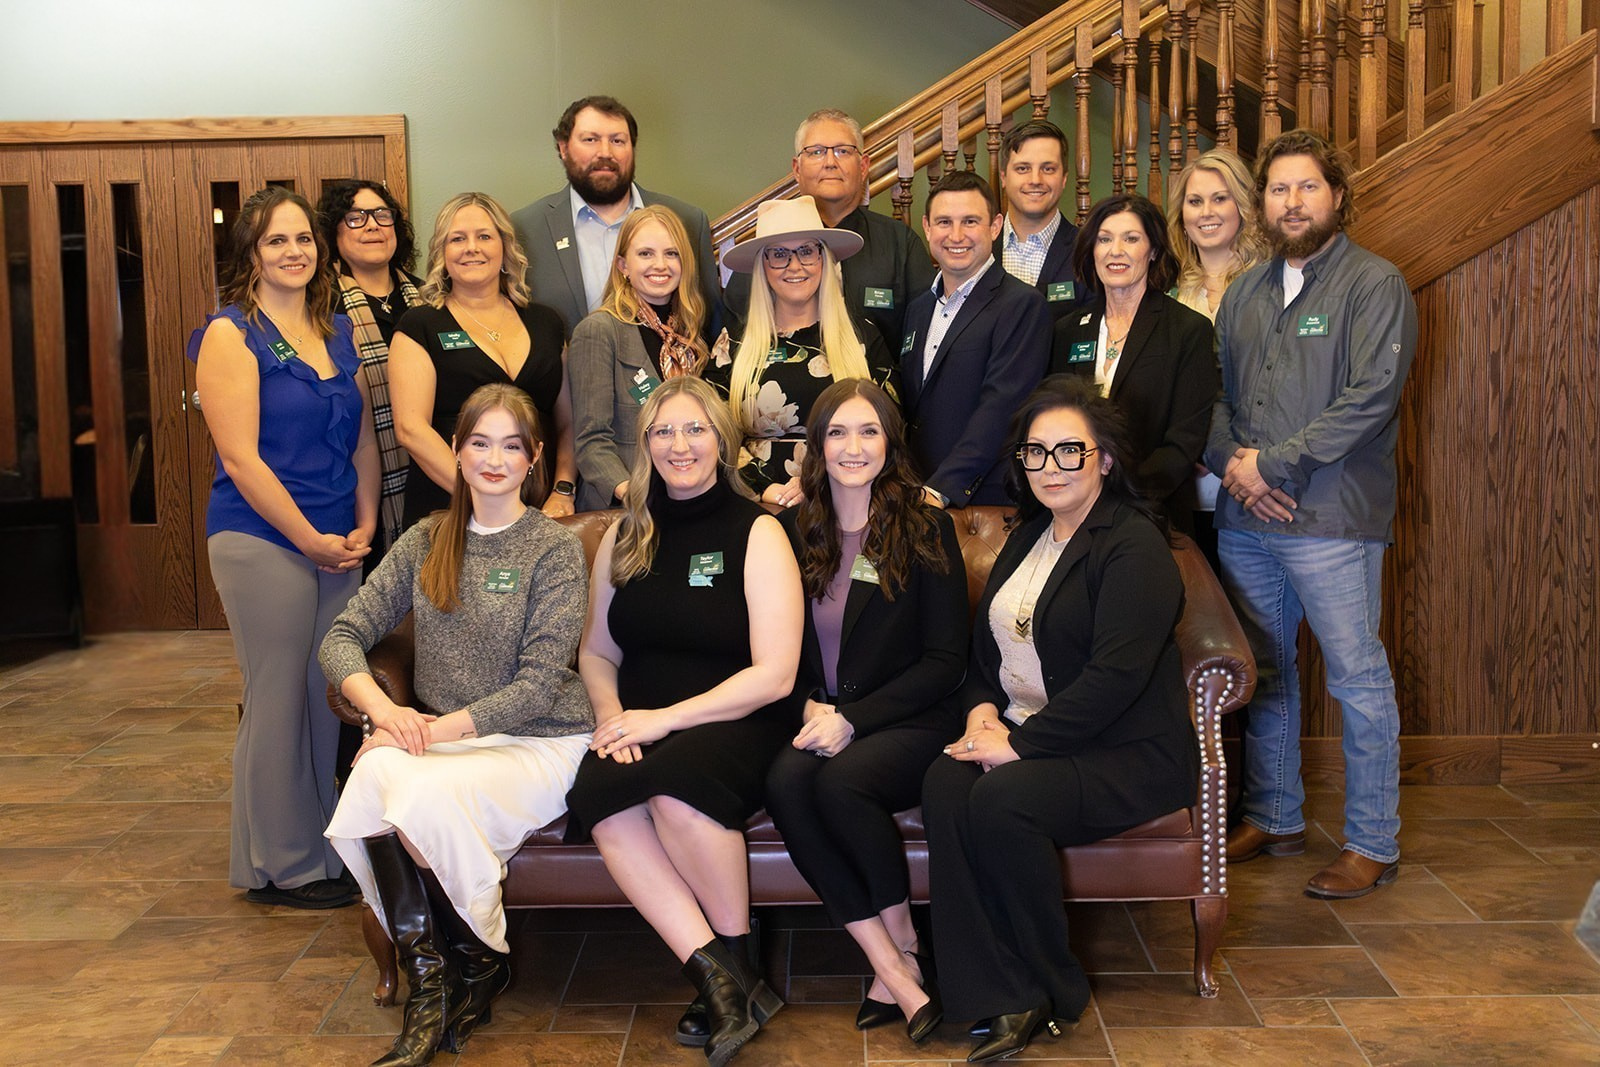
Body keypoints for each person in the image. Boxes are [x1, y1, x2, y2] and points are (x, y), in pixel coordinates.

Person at [922, 376, 1198, 1063]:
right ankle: (986, 988)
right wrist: (981, 715)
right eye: (1035, 452)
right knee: (944, 782)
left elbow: (1114, 681)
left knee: (1004, 799)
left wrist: (1018, 747)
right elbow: (986, 652)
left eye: (1070, 450)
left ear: (1105, 457)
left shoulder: (1132, 546)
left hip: (1125, 753)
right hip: (1030, 732)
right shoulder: (1029, 537)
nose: (1051, 466)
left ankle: (1048, 987)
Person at [322, 384, 594, 1067]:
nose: (494, 460)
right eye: (480, 443)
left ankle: (470, 966)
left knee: (406, 782)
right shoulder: (425, 539)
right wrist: (385, 713)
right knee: (376, 776)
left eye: (511, 446)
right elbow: (342, 637)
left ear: (534, 457)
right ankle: (441, 979)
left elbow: (537, 687)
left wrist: (420, 734)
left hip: (540, 739)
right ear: (456, 449)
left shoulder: (552, 549)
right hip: (447, 741)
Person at [564, 376, 802, 1067]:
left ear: (722, 440)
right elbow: (597, 651)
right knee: (603, 799)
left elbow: (775, 674)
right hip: (640, 719)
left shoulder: (759, 529)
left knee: (675, 792)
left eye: (695, 428)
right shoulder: (625, 533)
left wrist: (661, 720)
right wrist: (613, 718)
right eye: (663, 431)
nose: (680, 444)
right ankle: (724, 983)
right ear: (645, 445)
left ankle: (734, 963)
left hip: (739, 715)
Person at [1206, 129, 1417, 899]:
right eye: (1278, 189)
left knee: (1358, 678)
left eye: (1307, 187)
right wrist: (1235, 467)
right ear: (1262, 203)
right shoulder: (1245, 292)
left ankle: (1372, 841)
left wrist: (1269, 465)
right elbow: (1212, 394)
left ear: (1337, 196)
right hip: (1247, 521)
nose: (1292, 202)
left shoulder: (1375, 283)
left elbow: (1370, 399)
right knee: (1266, 670)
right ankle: (1276, 814)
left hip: (1332, 519)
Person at [188, 186, 378, 910]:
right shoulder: (230, 334)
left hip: (336, 540)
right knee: (276, 698)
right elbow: (241, 459)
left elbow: (363, 440)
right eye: (277, 240)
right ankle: (281, 864)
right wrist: (307, 539)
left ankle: (318, 849)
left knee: (322, 698)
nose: (294, 251)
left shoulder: (337, 330)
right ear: (252, 253)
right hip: (262, 536)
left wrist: (363, 526)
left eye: (303, 238)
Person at [763, 379, 968, 1046]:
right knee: (786, 782)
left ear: (890, 441)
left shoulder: (927, 526)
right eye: (838, 432)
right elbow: (770, 647)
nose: (853, 447)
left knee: (843, 781)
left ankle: (903, 944)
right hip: (818, 714)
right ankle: (892, 962)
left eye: (869, 431)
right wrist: (809, 707)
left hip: (912, 717)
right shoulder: (791, 531)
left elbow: (945, 661)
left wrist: (853, 719)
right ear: (817, 446)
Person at [390, 192, 577, 528]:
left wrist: (563, 490)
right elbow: (411, 429)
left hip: (540, 510)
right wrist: (486, 499)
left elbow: (568, 423)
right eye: (457, 239)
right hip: (450, 508)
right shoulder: (420, 325)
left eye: (484, 236)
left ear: (505, 247)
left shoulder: (547, 322)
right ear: (442, 253)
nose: (471, 248)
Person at [710, 195, 897, 506]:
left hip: (846, 499)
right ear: (763, 266)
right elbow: (710, 433)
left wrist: (821, 483)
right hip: (756, 504)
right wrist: (764, 489)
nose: (794, 266)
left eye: (807, 251)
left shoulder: (863, 337)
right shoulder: (733, 344)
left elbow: (890, 429)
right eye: (779, 254)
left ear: (823, 259)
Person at [1048, 194, 1217, 531]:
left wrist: (1114, 495)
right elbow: (1054, 425)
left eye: (1131, 239)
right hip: (1072, 514)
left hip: (1151, 515)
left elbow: (1183, 443)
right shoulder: (1067, 330)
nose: (1116, 251)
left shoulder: (1188, 330)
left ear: (1153, 250)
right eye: (1104, 239)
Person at [724, 109, 935, 354]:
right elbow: (735, 336)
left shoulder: (900, 243)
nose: (830, 162)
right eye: (816, 152)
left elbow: (925, 334)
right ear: (797, 169)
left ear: (863, 166)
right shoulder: (767, 248)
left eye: (843, 151)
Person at [512, 95, 720, 338]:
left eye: (617, 141)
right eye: (590, 139)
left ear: (632, 149)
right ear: (564, 148)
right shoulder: (525, 230)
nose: (605, 152)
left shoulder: (688, 222)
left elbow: (710, 324)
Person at [902, 170, 1050, 509]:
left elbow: (1002, 408)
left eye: (970, 221)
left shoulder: (1022, 305)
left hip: (984, 500)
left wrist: (941, 488)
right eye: (944, 222)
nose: (956, 235)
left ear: (995, 227)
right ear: (927, 227)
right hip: (916, 495)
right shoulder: (917, 310)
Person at [568, 205, 713, 511]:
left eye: (671, 253)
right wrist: (634, 494)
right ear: (623, 265)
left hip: (686, 499)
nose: (660, 264)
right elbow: (591, 442)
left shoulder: (689, 335)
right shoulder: (598, 331)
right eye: (645, 254)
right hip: (626, 508)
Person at [1166, 149, 1269, 564]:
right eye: (1195, 201)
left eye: (1219, 198)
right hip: (1183, 488)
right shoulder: (1168, 291)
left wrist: (1224, 453)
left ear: (1243, 206)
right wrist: (1187, 449)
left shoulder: (1273, 286)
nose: (1206, 212)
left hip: (1253, 482)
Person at [317, 179, 427, 564]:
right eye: (355, 217)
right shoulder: (320, 307)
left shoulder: (431, 298)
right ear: (332, 231)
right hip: (351, 480)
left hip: (428, 473)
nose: (372, 225)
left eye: (382, 214)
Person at [997, 120, 1084, 321]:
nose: (1035, 180)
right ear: (1003, 177)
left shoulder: (1088, 251)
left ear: (1064, 178)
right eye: (1022, 168)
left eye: (1048, 169)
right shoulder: (976, 247)